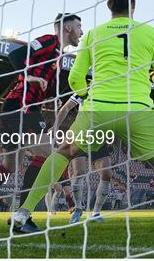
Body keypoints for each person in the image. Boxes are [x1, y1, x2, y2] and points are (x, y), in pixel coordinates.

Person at [11, 0, 154, 237]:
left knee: (64, 151)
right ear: (133, 5)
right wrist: (150, 75)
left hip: (97, 109)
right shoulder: (150, 33)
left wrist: (88, 93)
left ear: (109, 6)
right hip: (137, 111)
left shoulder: (93, 34)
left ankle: (23, 212)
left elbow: (75, 79)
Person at [0, 13, 82, 229]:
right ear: (68, 28)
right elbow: (16, 55)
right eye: (79, 26)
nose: (81, 32)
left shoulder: (57, 56)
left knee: (9, 165)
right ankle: (22, 217)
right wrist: (29, 76)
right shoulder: (49, 41)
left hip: (20, 107)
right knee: (48, 153)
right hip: (21, 106)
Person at [51, 93, 113, 223]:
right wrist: (56, 127)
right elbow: (66, 107)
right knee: (79, 172)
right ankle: (78, 208)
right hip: (80, 135)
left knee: (107, 174)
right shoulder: (85, 89)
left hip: (98, 137)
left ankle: (96, 213)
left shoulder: (112, 92)